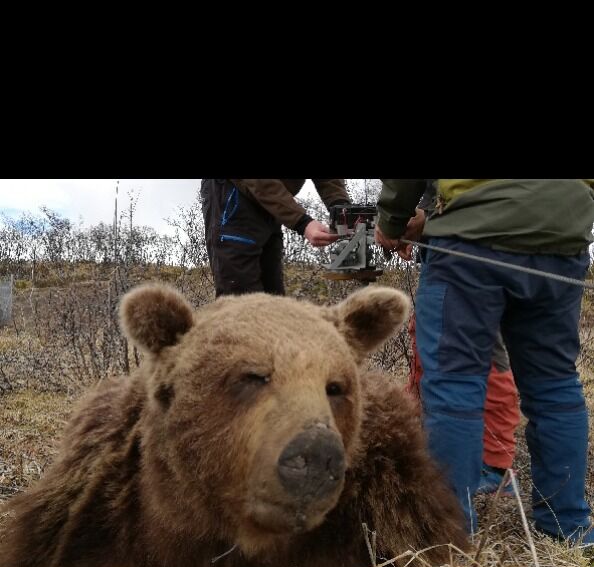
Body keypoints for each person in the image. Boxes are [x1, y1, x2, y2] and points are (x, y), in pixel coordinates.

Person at [375, 179, 594, 545]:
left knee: (453, 384)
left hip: (469, 241)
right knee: (555, 385)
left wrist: (391, 224)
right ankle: (569, 527)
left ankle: (451, 534)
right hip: (562, 235)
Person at [396, 192, 521, 496]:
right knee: (428, 343)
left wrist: (411, 218)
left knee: (484, 361)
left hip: (474, 255)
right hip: (449, 254)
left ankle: (495, 465)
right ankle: (422, 439)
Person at [200, 179, 350, 297]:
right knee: (241, 301)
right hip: (236, 196)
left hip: (273, 202)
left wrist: (341, 206)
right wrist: (302, 222)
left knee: (273, 301)